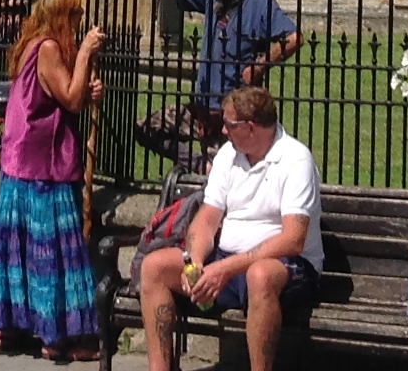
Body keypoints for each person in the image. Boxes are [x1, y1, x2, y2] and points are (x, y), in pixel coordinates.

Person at [135, 86, 322, 371]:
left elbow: (293, 239)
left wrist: (225, 269)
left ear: (251, 128)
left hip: (286, 265)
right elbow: (207, 218)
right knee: (154, 267)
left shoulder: (295, 160)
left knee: (259, 276)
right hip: (227, 260)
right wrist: (195, 262)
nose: (223, 130)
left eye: (229, 124)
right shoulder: (228, 155)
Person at [0, 0, 107, 361]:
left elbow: (62, 95)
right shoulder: (48, 47)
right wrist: (85, 53)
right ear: (62, 18)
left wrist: (86, 88)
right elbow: (69, 98)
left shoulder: (31, 46)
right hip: (43, 169)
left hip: (20, 163)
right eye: (76, 15)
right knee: (50, 251)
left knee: (17, 250)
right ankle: (57, 337)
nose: (79, 21)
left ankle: (10, 327)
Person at [91, 0, 299, 160]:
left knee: (224, 172)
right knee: (148, 128)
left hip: (231, 118)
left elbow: (293, 38)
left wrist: (259, 66)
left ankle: (208, 171)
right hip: (199, 110)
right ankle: (201, 167)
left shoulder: (259, 3)